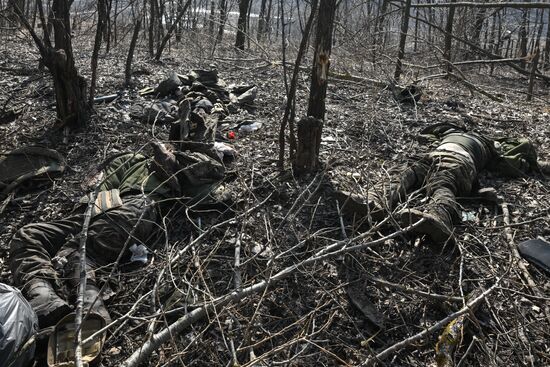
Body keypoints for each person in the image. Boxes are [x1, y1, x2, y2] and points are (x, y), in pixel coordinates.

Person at [8, 142, 225, 330]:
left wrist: (173, 165)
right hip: (98, 208)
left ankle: (90, 310)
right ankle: (43, 296)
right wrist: (89, 207)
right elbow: (102, 185)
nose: (166, 148)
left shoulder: (181, 169)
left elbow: (206, 191)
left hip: (139, 204)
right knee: (28, 234)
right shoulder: (133, 160)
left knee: (80, 251)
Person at [336, 123, 549, 243]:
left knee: (443, 183)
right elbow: (429, 131)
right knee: (402, 173)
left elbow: (510, 165)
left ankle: (439, 216)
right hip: (431, 155)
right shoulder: (453, 133)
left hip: (460, 162)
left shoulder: (490, 148)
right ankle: (372, 202)